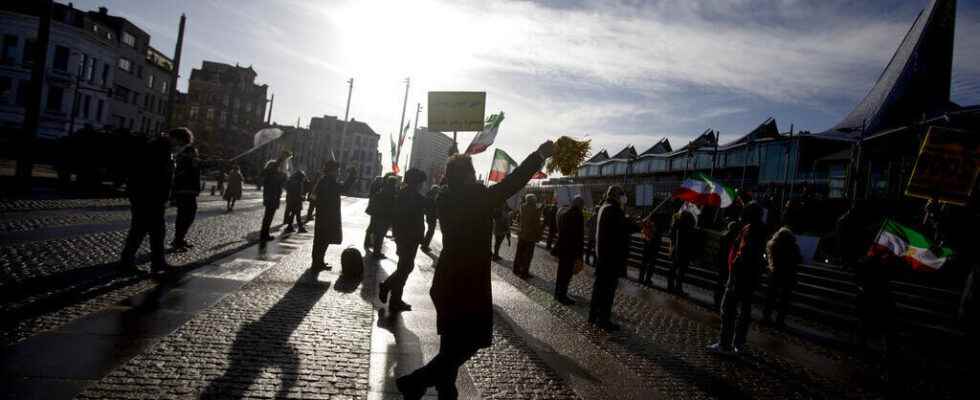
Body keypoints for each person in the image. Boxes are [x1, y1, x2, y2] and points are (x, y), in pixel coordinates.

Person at [397, 140, 554, 400]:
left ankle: (446, 392)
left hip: (447, 278)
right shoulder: (478, 198)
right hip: (469, 283)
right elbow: (513, 182)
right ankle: (416, 381)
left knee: (450, 343)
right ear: (468, 176)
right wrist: (539, 155)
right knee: (469, 343)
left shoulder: (444, 198)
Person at [708, 202, 767, 354]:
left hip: (739, 276)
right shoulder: (761, 230)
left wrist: (733, 272)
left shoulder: (749, 230)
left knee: (728, 310)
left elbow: (743, 254)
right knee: (744, 312)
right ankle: (738, 343)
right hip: (751, 277)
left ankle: (724, 343)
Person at [119, 129, 178, 274]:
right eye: (180, 143)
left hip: (152, 199)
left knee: (157, 233)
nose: (180, 147)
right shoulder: (160, 152)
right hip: (149, 199)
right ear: (175, 139)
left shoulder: (162, 150)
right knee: (139, 231)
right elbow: (155, 177)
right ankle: (127, 262)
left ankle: (158, 263)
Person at [589, 186, 641, 331]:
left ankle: (593, 316)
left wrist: (629, 220)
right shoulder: (614, 210)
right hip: (611, 258)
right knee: (607, 291)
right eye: (622, 195)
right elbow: (624, 227)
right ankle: (603, 320)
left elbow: (620, 224)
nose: (624, 198)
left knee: (599, 289)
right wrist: (637, 225)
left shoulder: (604, 207)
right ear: (617, 196)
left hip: (603, 256)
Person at [380, 168, 427, 312]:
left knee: (404, 267)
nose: (422, 185)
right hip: (408, 238)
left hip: (407, 237)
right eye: (421, 182)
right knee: (406, 267)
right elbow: (407, 217)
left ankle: (395, 299)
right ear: (415, 182)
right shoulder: (410, 196)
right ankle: (387, 287)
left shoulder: (405, 194)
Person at [311, 161, 357, 269]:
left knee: (321, 240)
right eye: (337, 170)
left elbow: (313, 197)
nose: (339, 172)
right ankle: (317, 263)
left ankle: (318, 262)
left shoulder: (323, 180)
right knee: (322, 241)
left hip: (322, 215)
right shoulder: (329, 181)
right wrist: (352, 176)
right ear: (332, 171)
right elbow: (344, 188)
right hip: (328, 216)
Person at [762, 226, 802, 326]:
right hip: (789, 274)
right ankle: (780, 319)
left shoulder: (773, 245)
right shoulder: (793, 246)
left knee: (771, 297)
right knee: (785, 299)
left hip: (775, 273)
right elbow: (798, 260)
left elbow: (770, 259)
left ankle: (766, 316)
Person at [170, 128, 200, 251]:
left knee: (185, 215)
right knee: (187, 215)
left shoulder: (183, 151)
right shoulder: (188, 151)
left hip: (184, 188)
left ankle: (179, 239)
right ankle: (178, 240)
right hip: (187, 188)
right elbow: (195, 165)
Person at [554, 196, 585, 305]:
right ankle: (562, 296)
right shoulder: (578, 215)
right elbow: (579, 236)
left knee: (561, 272)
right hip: (571, 249)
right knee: (566, 274)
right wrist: (580, 255)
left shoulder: (564, 213)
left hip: (562, 248)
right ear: (580, 205)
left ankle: (557, 293)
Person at [259, 153, 289, 241]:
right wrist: (281, 159)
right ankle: (264, 235)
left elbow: (283, 181)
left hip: (272, 196)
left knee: (268, 216)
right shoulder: (272, 173)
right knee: (268, 216)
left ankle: (264, 234)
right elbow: (276, 167)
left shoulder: (273, 173)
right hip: (272, 196)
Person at [668, 207, 697, 295]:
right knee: (680, 271)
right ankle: (677, 288)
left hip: (677, 250)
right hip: (682, 252)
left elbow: (672, 237)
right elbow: (685, 241)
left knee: (674, 269)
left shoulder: (677, 225)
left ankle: (672, 286)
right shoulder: (684, 227)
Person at [513, 193, 543, 279]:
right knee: (528, 255)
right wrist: (538, 236)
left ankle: (516, 268)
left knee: (519, 253)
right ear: (533, 200)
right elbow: (536, 224)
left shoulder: (522, 207)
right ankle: (524, 272)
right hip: (530, 236)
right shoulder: (535, 210)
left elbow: (518, 220)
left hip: (521, 234)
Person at [369, 177, 398, 258]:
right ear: (394, 182)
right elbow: (392, 203)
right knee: (380, 235)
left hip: (378, 214)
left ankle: (376, 250)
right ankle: (377, 252)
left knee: (378, 234)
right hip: (385, 216)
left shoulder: (384, 188)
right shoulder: (392, 191)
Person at [714, 220, 740, 309]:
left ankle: (717, 299)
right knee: (723, 282)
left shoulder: (724, 236)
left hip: (722, 261)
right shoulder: (732, 238)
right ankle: (719, 300)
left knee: (720, 282)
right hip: (726, 262)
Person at [639, 212, 666, 287]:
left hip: (650, 245)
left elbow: (645, 234)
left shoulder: (650, 225)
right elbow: (644, 233)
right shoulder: (650, 225)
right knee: (648, 263)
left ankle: (644, 278)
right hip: (650, 246)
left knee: (647, 263)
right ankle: (644, 278)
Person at [363, 177, 385, 252]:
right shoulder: (377, 186)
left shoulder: (374, 185)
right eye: (380, 180)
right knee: (372, 226)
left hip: (373, 209)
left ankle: (367, 242)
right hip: (375, 209)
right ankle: (368, 242)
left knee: (372, 226)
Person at [420, 185, 440, 252]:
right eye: (437, 191)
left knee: (430, 231)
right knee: (431, 231)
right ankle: (425, 245)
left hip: (430, 215)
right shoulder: (432, 197)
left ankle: (424, 244)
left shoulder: (429, 196)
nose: (437, 192)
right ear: (435, 190)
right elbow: (432, 207)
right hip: (431, 216)